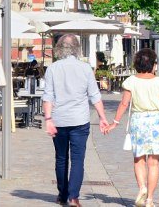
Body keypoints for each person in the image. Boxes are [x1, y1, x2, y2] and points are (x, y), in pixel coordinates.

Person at [111, 48, 159, 207]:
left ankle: (142, 187)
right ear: (153, 65)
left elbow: (124, 103)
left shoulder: (131, 81)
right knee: (154, 162)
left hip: (138, 121)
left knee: (139, 159)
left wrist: (115, 122)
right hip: (156, 122)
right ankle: (150, 199)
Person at [41, 33, 110, 207]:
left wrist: (48, 118)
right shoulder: (85, 68)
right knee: (78, 159)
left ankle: (62, 195)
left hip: (59, 120)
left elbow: (48, 96)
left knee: (61, 158)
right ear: (77, 49)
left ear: (59, 49)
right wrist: (102, 118)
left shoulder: (53, 69)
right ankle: (73, 197)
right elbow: (95, 96)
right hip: (80, 120)